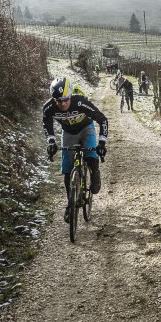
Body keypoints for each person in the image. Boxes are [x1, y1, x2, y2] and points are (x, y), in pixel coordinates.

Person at [43, 77, 109, 223]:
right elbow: (46, 122)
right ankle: (70, 205)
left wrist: (102, 143)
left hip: (86, 129)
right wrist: (51, 141)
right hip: (68, 133)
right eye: (58, 100)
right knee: (67, 170)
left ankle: (95, 173)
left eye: (65, 99)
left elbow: (103, 120)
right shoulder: (49, 107)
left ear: (70, 96)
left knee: (91, 156)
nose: (62, 103)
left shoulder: (80, 102)